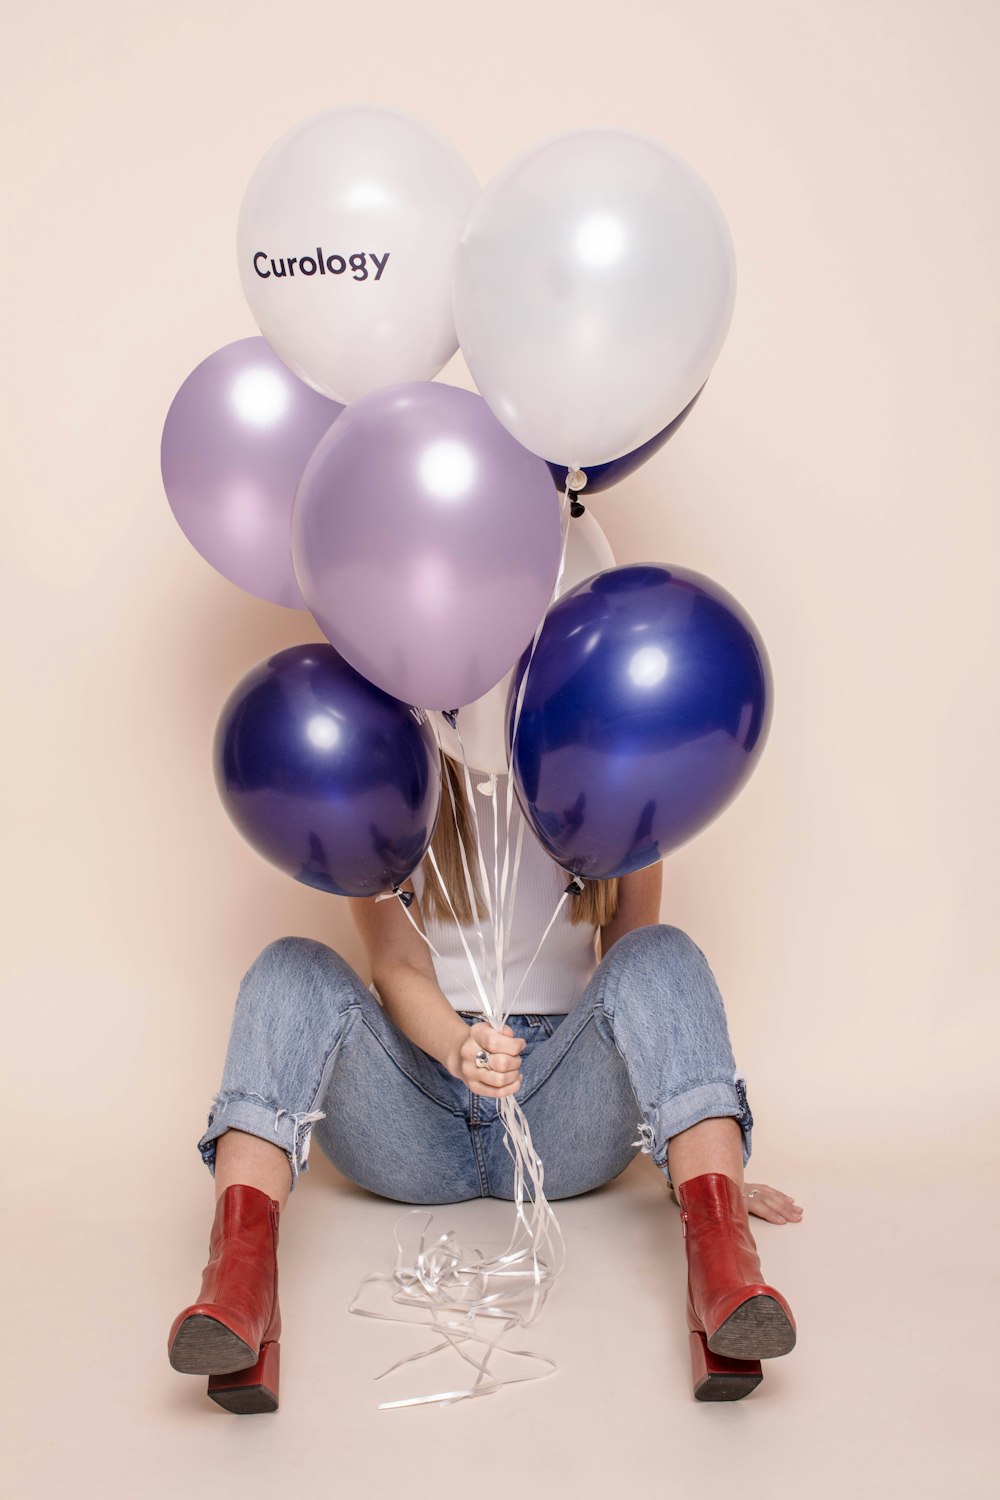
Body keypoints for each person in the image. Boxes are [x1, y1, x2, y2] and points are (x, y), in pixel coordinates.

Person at [167, 755, 802, 1413]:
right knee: (288, 967)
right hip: (414, 1105)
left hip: (560, 1113)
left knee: (664, 951)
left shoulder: (619, 758)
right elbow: (397, 963)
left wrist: (701, 1164)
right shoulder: (385, 767)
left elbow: (637, 975)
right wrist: (455, 1043)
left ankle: (725, 1270)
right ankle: (238, 1290)